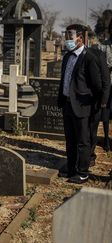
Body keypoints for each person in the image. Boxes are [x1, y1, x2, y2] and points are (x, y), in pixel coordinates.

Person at [57, 24, 103, 184]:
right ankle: (71, 168)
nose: (67, 40)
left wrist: (94, 105)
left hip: (83, 106)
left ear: (80, 38)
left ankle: (82, 172)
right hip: (67, 104)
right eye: (66, 36)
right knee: (70, 140)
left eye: (70, 37)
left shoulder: (89, 58)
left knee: (83, 142)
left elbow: (97, 85)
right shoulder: (67, 57)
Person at [87, 32, 111, 162]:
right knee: (102, 117)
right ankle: (104, 140)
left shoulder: (102, 51)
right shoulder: (101, 48)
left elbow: (105, 76)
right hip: (103, 88)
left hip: (103, 89)